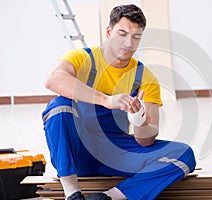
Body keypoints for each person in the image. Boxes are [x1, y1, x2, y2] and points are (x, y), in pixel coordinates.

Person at [42, 4, 196, 200]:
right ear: (109, 31)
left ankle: (109, 197)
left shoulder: (145, 78)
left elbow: (146, 140)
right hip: (79, 149)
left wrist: (139, 120)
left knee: (184, 154)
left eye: (136, 37)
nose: (128, 43)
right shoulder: (83, 59)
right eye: (122, 34)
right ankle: (72, 193)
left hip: (115, 152)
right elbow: (53, 79)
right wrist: (106, 100)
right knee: (59, 106)